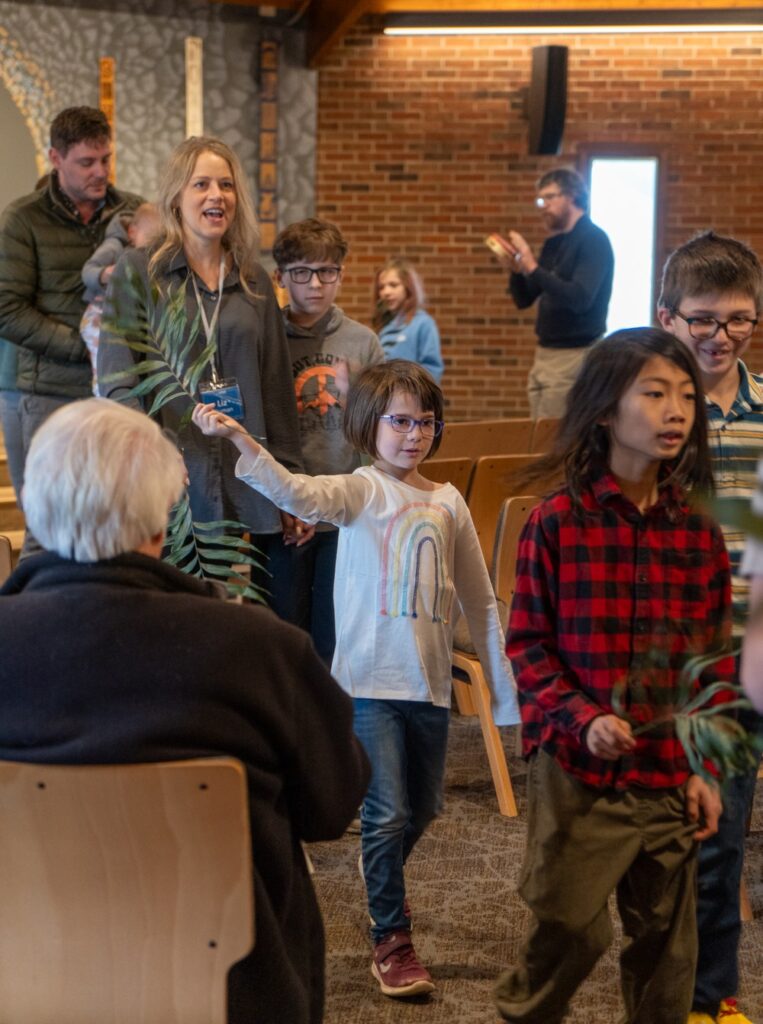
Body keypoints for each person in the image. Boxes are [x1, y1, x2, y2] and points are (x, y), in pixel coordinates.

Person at [0, 397, 370, 1024]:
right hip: (232, 990)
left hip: (23, 981)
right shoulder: (261, 649)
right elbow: (332, 807)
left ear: (35, 507)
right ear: (163, 517)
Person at [192, 359, 519, 999]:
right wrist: (238, 438)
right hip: (369, 683)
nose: (414, 435)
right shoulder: (361, 490)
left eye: (425, 423)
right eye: (400, 421)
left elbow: (479, 604)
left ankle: (377, 882)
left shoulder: (447, 501)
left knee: (421, 809)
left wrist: (502, 694)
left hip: (426, 687)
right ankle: (391, 937)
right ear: (370, 426)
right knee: (389, 809)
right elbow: (294, 492)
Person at [497, 328, 734, 1024]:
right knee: (569, 930)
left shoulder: (697, 532)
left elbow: (713, 664)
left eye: (686, 396)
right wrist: (582, 717)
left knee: (666, 950)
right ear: (604, 410)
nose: (676, 411)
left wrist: (705, 766)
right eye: (654, 393)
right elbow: (527, 647)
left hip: (668, 772)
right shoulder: (555, 523)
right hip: (576, 772)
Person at [98, 136, 303, 590]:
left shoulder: (253, 279)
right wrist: (148, 446)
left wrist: (290, 481)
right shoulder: (139, 271)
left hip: (242, 465)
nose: (217, 196)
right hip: (170, 469)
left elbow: (275, 387)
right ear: (176, 197)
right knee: (169, 604)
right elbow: (116, 377)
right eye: (202, 184)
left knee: (233, 605)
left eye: (226, 185)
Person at [658, 231, 763, 1024]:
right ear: (667, 319)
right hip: (679, 652)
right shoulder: (649, 415)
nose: (718, 336)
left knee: (729, 831)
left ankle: (707, 988)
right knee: (686, 833)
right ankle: (684, 988)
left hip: (750, 646)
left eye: (737, 321)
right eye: (702, 319)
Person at [0, 106, 142, 522]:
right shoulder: (22, 220)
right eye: (86, 162)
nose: (100, 171)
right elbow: (6, 308)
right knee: (48, 520)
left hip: (115, 388)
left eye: (106, 160)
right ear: (55, 158)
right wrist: (85, 348)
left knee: (112, 517)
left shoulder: (133, 214)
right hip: (38, 391)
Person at [270, 216, 384, 662]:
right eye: (301, 272)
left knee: (334, 635)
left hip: (345, 511)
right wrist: (282, 500)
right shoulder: (268, 337)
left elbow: (381, 431)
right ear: (281, 277)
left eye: (327, 272)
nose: (315, 284)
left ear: (341, 274)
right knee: (284, 631)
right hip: (286, 512)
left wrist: (360, 395)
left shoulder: (362, 342)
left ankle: (328, 726)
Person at [492, 167, 614, 419]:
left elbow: (580, 298)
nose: (542, 206)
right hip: (545, 354)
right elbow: (524, 299)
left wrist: (532, 267)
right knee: (538, 435)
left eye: (549, 197)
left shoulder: (594, 240)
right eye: (540, 200)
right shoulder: (554, 244)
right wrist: (516, 270)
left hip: (575, 355)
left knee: (553, 440)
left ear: (571, 196)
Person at [80, 202, 160, 394]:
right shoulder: (114, 247)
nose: (149, 250)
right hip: (98, 312)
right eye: (148, 241)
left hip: (122, 311)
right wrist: (108, 273)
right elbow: (88, 271)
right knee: (107, 356)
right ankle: (104, 393)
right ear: (132, 232)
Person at [372, 259, 444, 382]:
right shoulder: (383, 324)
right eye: (381, 287)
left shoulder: (423, 323)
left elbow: (432, 369)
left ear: (408, 287)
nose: (386, 292)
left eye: (393, 285)